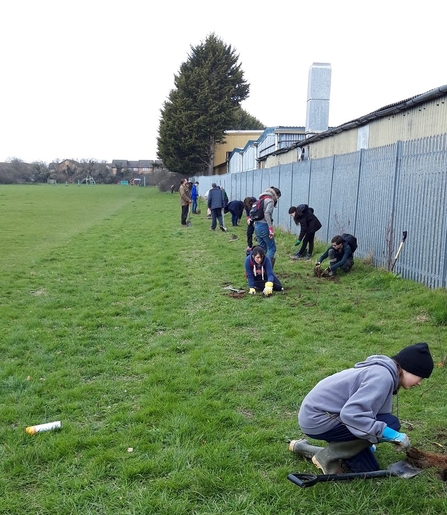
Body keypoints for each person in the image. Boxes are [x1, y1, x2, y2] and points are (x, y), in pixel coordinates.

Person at [289, 342, 434, 474]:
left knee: (367, 469)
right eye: (420, 377)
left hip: (325, 415)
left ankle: (303, 448)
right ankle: (327, 456)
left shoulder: (385, 373)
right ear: (409, 369)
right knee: (391, 424)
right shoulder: (382, 377)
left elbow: (376, 413)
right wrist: (390, 434)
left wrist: (372, 438)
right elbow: (352, 415)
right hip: (319, 419)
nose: (420, 383)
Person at [253, 186, 281, 267]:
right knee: (272, 248)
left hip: (257, 226)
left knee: (262, 249)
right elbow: (267, 213)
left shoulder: (260, 200)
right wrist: (270, 228)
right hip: (264, 226)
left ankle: (257, 266)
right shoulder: (270, 201)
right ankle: (266, 267)